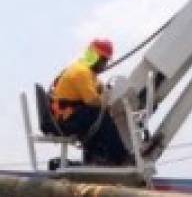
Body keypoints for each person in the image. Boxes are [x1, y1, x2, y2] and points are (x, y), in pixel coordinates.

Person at [48, 38, 132, 166]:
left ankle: (97, 156)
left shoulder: (86, 72)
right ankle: (120, 157)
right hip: (66, 119)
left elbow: (99, 88)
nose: (105, 65)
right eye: (104, 61)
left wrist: (104, 93)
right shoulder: (81, 72)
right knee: (101, 117)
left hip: (67, 116)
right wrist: (106, 102)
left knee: (95, 117)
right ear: (96, 58)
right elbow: (92, 100)